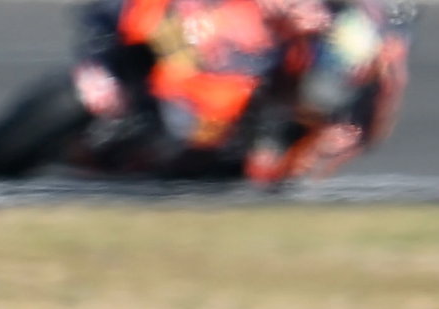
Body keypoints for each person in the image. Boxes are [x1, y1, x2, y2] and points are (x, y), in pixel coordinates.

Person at [72, 0, 415, 182]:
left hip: (274, 86)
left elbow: (385, 74)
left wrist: (348, 136)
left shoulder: (359, 31)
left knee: (267, 164)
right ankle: (108, 63)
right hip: (222, 39)